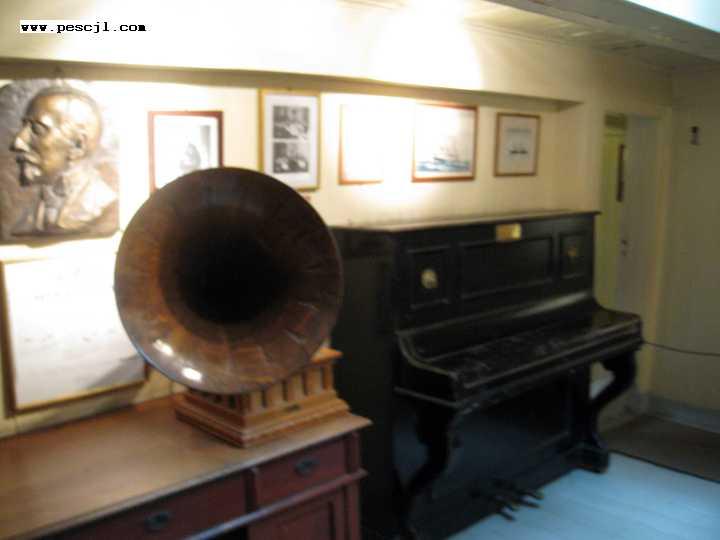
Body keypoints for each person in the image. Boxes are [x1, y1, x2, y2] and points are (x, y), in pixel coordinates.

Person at [9, 86, 116, 235]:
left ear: (77, 145)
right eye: (24, 127)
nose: (17, 142)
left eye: (37, 129)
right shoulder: (27, 217)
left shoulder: (101, 200)